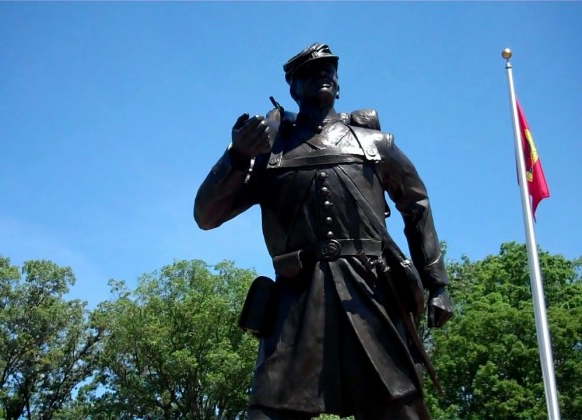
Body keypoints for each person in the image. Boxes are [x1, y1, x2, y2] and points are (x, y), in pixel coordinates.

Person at [194, 43, 453, 420]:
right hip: (297, 301)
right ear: (292, 88)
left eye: (329, 69)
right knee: (269, 412)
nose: (323, 75)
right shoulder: (270, 153)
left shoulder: (375, 144)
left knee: (399, 407)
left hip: (369, 292)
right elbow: (206, 215)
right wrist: (236, 157)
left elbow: (417, 205)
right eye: (309, 71)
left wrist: (438, 284)